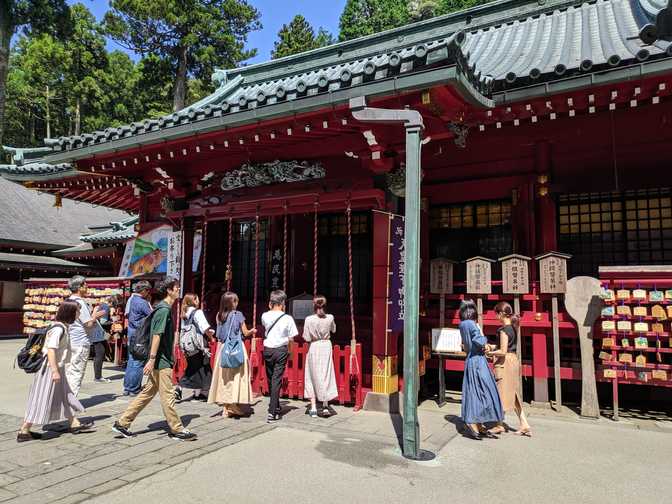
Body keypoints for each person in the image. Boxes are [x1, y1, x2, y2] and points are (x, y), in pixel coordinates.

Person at [112, 277, 197, 441]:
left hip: (159, 359)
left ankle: (122, 423)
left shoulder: (163, 308)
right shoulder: (164, 310)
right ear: (169, 291)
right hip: (161, 361)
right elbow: (156, 335)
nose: (179, 290)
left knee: (147, 394)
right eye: (176, 288)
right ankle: (176, 428)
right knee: (168, 395)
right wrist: (151, 359)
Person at [18, 301, 93, 442]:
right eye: (77, 311)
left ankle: (74, 423)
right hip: (49, 369)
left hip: (57, 367)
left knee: (66, 395)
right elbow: (51, 350)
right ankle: (24, 430)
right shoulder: (59, 329)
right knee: (41, 398)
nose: (78, 314)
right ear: (70, 312)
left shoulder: (63, 326)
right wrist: (54, 371)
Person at [459, 299, 504, 440]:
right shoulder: (472, 325)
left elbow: (466, 344)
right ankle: (474, 422)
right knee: (487, 390)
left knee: (474, 392)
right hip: (478, 361)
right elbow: (480, 341)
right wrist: (487, 344)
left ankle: (476, 422)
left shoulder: (462, 325)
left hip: (470, 360)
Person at [486, 301, 532, 437]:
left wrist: (490, 353)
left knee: (500, 392)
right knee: (513, 393)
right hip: (513, 360)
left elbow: (503, 351)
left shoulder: (503, 330)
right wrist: (492, 347)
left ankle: (499, 425)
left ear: (501, 314)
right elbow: (505, 347)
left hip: (505, 363)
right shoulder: (513, 327)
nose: (496, 317)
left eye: (497, 314)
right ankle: (524, 424)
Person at [208, 291, 256, 418]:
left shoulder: (219, 315)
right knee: (236, 377)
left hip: (223, 348)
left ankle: (225, 408)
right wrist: (252, 331)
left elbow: (219, 335)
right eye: (236, 301)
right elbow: (245, 333)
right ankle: (233, 405)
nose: (237, 303)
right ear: (232, 302)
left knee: (224, 379)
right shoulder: (238, 315)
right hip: (236, 348)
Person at [261, 290, 298, 423]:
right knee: (277, 379)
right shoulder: (288, 318)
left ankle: (275, 406)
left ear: (271, 303)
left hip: (268, 349)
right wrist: (291, 351)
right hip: (281, 350)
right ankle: (272, 411)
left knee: (271, 378)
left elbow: (265, 327)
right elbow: (291, 338)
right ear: (283, 304)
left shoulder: (265, 315)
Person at [66, 276, 106, 396]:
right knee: (76, 374)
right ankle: (70, 404)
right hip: (80, 341)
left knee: (69, 372)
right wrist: (95, 315)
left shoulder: (68, 301)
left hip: (70, 340)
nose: (87, 286)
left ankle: (65, 400)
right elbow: (88, 324)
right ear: (79, 287)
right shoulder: (80, 303)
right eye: (85, 284)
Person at [302, 295, 338, 418]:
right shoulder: (330, 317)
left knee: (312, 375)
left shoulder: (309, 319)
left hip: (315, 345)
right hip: (326, 346)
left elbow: (306, 337)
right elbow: (333, 330)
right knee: (326, 374)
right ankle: (325, 405)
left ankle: (313, 407)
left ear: (314, 305)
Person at [175, 293, 214, 402]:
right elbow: (205, 327)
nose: (198, 300)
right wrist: (211, 336)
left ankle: (197, 394)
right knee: (199, 368)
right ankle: (181, 388)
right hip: (198, 344)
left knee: (195, 368)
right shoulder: (198, 312)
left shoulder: (184, 313)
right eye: (196, 298)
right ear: (193, 300)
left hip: (188, 345)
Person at [123, 281, 152, 396]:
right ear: (144, 290)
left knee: (131, 360)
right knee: (138, 362)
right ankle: (134, 388)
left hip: (132, 334)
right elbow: (151, 316)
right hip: (140, 335)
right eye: (148, 290)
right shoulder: (142, 302)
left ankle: (128, 387)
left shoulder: (131, 300)